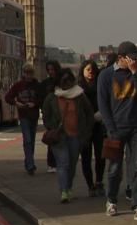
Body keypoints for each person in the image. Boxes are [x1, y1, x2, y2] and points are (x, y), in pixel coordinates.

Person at [97, 41, 137, 219]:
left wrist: (136, 74)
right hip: (116, 128)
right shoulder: (106, 76)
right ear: (121, 57)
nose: (135, 61)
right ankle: (112, 200)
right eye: (132, 58)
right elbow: (103, 104)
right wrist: (111, 128)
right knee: (115, 168)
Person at [41, 69, 93, 204]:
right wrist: (52, 126)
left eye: (69, 81)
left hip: (76, 135)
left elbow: (89, 114)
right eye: (64, 81)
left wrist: (86, 133)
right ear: (59, 82)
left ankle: (68, 187)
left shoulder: (79, 95)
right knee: (63, 163)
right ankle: (64, 191)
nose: (67, 84)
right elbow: (46, 114)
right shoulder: (52, 97)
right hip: (59, 137)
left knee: (72, 164)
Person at [6, 64, 42, 175]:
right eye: (26, 73)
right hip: (23, 116)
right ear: (24, 73)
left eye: (30, 73)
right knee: (27, 139)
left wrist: (34, 103)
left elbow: (42, 98)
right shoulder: (18, 85)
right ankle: (31, 165)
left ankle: (28, 163)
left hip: (34, 116)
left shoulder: (37, 85)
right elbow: (8, 97)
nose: (28, 75)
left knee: (31, 141)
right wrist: (16, 103)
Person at [77, 59, 106, 196]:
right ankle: (90, 185)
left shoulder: (100, 84)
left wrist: (101, 114)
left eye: (93, 70)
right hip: (84, 127)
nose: (91, 73)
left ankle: (99, 181)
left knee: (101, 155)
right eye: (88, 70)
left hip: (99, 125)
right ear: (82, 71)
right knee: (86, 156)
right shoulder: (78, 88)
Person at [39, 60, 62, 173]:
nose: (51, 72)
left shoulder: (62, 81)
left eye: (53, 69)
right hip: (50, 115)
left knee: (61, 140)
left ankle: (59, 161)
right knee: (52, 139)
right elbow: (41, 98)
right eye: (49, 70)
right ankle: (51, 163)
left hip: (61, 115)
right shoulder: (45, 83)